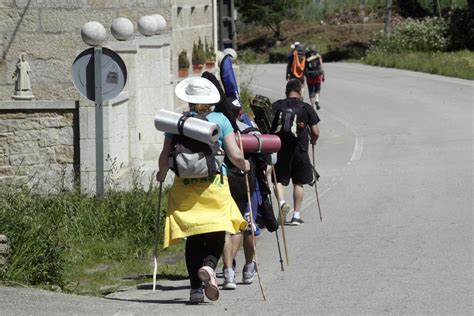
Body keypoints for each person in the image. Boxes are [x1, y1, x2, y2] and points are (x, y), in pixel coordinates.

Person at [156, 77, 250, 304]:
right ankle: (209, 266)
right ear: (210, 100)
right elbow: (235, 155)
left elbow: (165, 155)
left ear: (188, 100)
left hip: (184, 187)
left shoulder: (178, 122)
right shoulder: (221, 119)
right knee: (219, 230)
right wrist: (245, 166)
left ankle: (196, 290)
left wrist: (161, 174)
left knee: (194, 236)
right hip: (214, 185)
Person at [221, 100, 266, 290]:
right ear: (240, 113)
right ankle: (248, 269)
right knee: (248, 225)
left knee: (229, 228)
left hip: (223, 184)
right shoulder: (249, 131)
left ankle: (228, 272)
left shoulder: (218, 129)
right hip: (246, 183)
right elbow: (269, 158)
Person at [270, 79, 320, 226]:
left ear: (286, 91)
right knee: (298, 182)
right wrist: (313, 141)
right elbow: (316, 131)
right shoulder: (305, 107)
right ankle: (296, 216)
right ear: (300, 91)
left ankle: (282, 203)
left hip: (280, 149)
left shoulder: (277, 105)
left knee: (278, 180)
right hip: (300, 150)